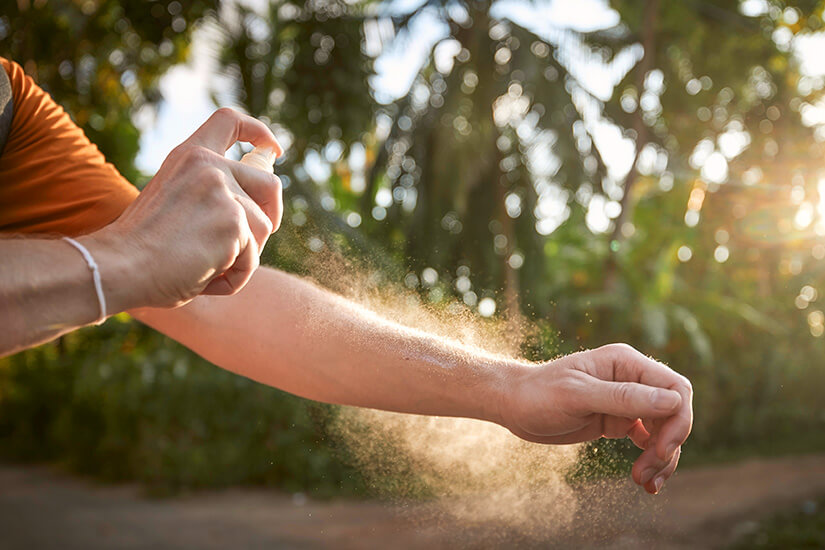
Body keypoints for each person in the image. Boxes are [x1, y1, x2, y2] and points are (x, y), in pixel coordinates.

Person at [0, 57, 692, 496]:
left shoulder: (16, 110)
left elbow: (219, 301)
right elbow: (131, 262)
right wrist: (124, 261)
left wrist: (512, 386)